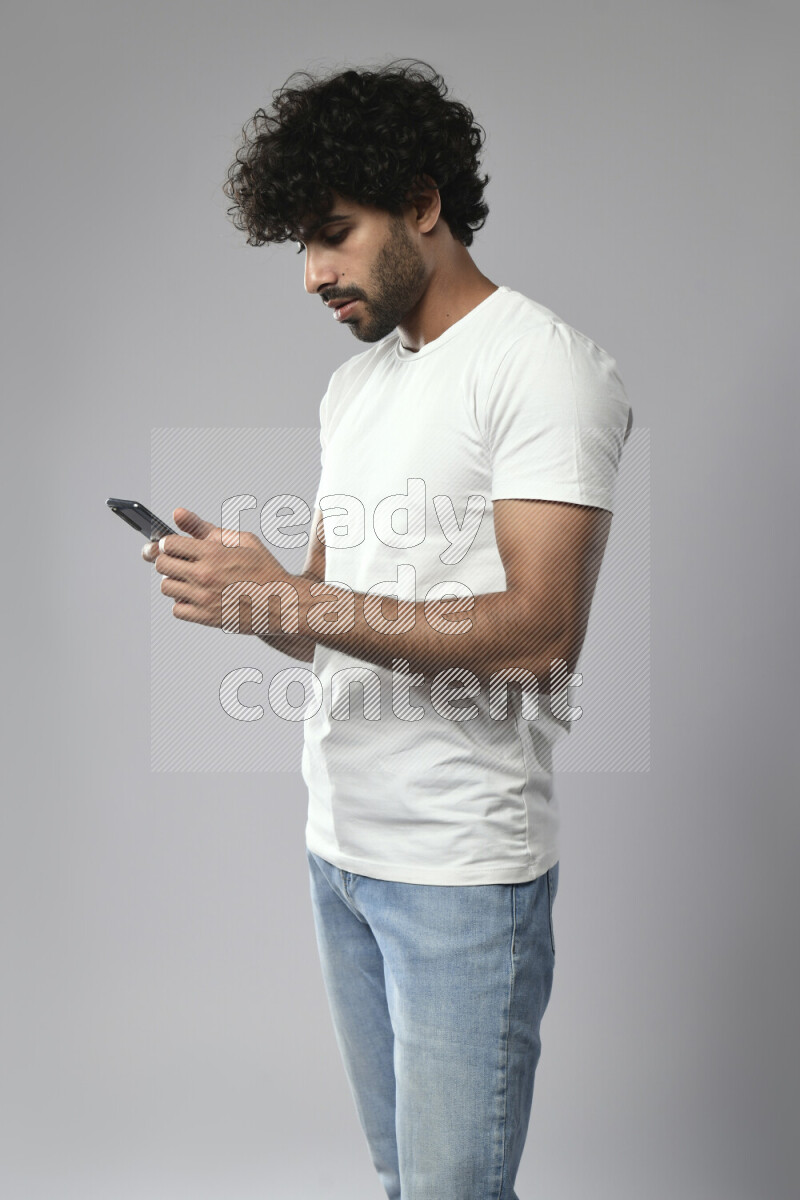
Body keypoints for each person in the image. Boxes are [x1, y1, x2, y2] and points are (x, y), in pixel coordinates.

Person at [142, 59, 633, 1200]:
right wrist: (246, 595)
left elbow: (539, 634)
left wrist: (297, 599)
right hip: (341, 849)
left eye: (332, 235)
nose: (312, 275)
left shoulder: (543, 370)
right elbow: (329, 616)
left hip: (458, 871)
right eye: (298, 247)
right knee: (402, 1180)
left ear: (422, 205)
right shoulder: (355, 388)